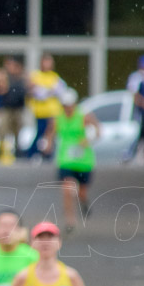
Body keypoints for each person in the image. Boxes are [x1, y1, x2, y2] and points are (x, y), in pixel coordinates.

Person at [44, 89, 100, 232]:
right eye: (64, 105)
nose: (67, 108)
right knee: (67, 189)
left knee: (81, 192)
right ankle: (70, 220)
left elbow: (97, 130)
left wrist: (88, 139)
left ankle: (84, 201)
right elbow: (50, 133)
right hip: (65, 159)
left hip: (83, 161)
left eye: (69, 105)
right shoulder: (58, 118)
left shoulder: (83, 116)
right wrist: (48, 144)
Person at [27, 53, 66, 161]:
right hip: (41, 111)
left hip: (53, 111)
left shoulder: (54, 77)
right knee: (40, 132)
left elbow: (60, 90)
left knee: (51, 134)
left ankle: (49, 154)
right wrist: (46, 91)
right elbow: (35, 92)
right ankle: (32, 153)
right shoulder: (36, 76)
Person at [0, 56, 27, 163]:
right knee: (3, 130)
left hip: (17, 109)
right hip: (6, 108)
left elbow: (23, 93)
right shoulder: (4, 77)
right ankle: (1, 151)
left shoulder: (20, 78)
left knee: (17, 130)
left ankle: (17, 151)